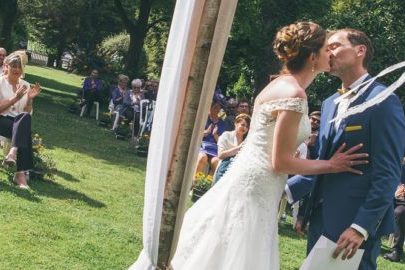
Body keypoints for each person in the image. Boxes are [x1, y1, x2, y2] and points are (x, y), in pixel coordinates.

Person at [130, 21, 368, 269]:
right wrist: (330, 164)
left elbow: (267, 141)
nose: (330, 54)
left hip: (252, 177)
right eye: (325, 49)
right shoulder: (294, 94)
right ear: (312, 57)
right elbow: (280, 161)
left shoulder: (277, 84)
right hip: (258, 185)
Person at [288, 27, 405, 270]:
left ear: (360, 50)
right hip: (319, 219)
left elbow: (388, 174)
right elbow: (323, 162)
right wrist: (289, 195)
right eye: (326, 48)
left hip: (352, 228)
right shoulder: (330, 103)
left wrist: (361, 226)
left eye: (335, 46)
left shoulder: (383, 100)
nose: (328, 52)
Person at [0, 50, 42, 188]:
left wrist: (29, 101)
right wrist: (15, 98)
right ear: (6, 67)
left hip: (17, 123)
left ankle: (12, 152)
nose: (16, 69)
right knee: (24, 131)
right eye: (13, 66)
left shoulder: (26, 85)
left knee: (25, 118)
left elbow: (28, 113)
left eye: (19, 67)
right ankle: (20, 174)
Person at [212, 113, 249, 183]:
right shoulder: (226, 135)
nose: (244, 128)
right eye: (243, 125)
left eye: (247, 127)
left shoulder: (247, 141)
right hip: (224, 169)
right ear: (236, 123)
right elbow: (220, 155)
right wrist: (239, 148)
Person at [195, 102, 226, 174]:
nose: (216, 109)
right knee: (202, 158)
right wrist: (206, 132)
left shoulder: (222, 123)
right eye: (215, 106)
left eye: (218, 107)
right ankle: (195, 182)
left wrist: (215, 135)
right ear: (210, 108)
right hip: (202, 147)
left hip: (214, 149)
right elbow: (195, 135)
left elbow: (221, 142)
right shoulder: (204, 119)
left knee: (216, 162)